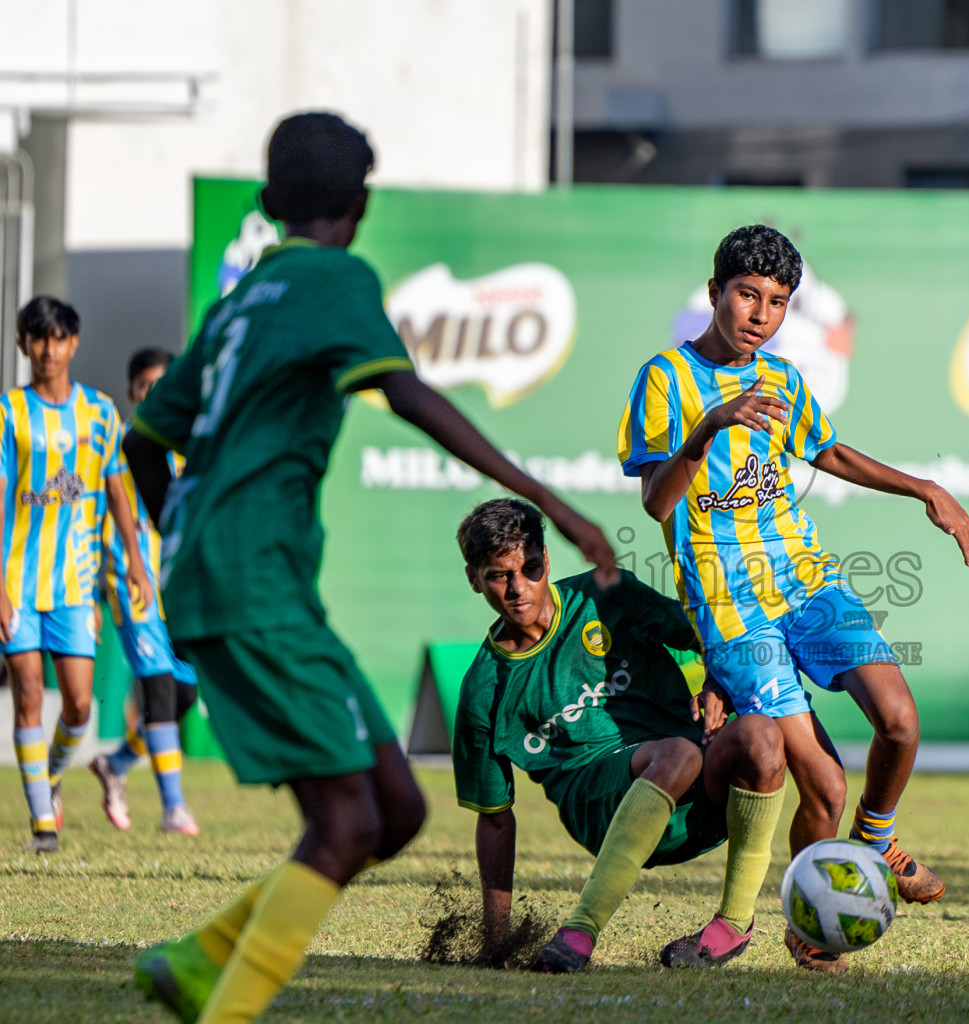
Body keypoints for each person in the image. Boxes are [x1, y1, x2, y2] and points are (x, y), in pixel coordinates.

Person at [124, 111, 615, 1024]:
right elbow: (409, 394)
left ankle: (199, 961)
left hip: (235, 578)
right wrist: (551, 502)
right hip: (255, 582)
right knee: (349, 822)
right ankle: (218, 1000)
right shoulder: (335, 277)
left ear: (269, 203)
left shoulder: (241, 300)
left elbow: (143, 445)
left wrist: (183, 539)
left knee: (395, 808)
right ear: (362, 203)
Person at [618, 224, 969, 972]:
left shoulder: (781, 378)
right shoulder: (664, 379)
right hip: (730, 606)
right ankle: (808, 928)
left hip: (807, 582)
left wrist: (925, 488)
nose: (760, 314)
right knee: (824, 781)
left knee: (901, 722)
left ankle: (874, 844)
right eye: (747, 295)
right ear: (715, 292)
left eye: (777, 302)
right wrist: (708, 427)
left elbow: (831, 451)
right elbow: (657, 502)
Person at [453, 498, 789, 972]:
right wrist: (496, 942)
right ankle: (580, 931)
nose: (518, 588)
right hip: (599, 810)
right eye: (498, 575)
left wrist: (716, 684)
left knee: (763, 737)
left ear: (547, 560)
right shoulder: (483, 690)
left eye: (530, 568)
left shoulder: (606, 596)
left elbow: (713, 636)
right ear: (474, 579)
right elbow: (494, 819)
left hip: (694, 798)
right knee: (678, 753)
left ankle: (733, 924)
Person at [2, 296, 152, 854]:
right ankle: (43, 821)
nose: (48, 348)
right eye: (37, 338)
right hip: (17, 580)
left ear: (74, 343)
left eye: (58, 337)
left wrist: (135, 560)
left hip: (72, 585)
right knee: (28, 695)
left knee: (81, 706)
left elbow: (117, 491)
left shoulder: (100, 413)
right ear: (23, 346)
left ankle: (52, 775)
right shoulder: (7, 413)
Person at [91, 347, 201, 835]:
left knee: (179, 696)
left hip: (177, 588)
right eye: (145, 386)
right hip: (130, 583)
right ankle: (174, 808)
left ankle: (115, 765)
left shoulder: (187, 448)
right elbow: (92, 517)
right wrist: (91, 587)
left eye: (163, 385)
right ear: (133, 391)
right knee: (157, 685)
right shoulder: (115, 449)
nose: (153, 394)